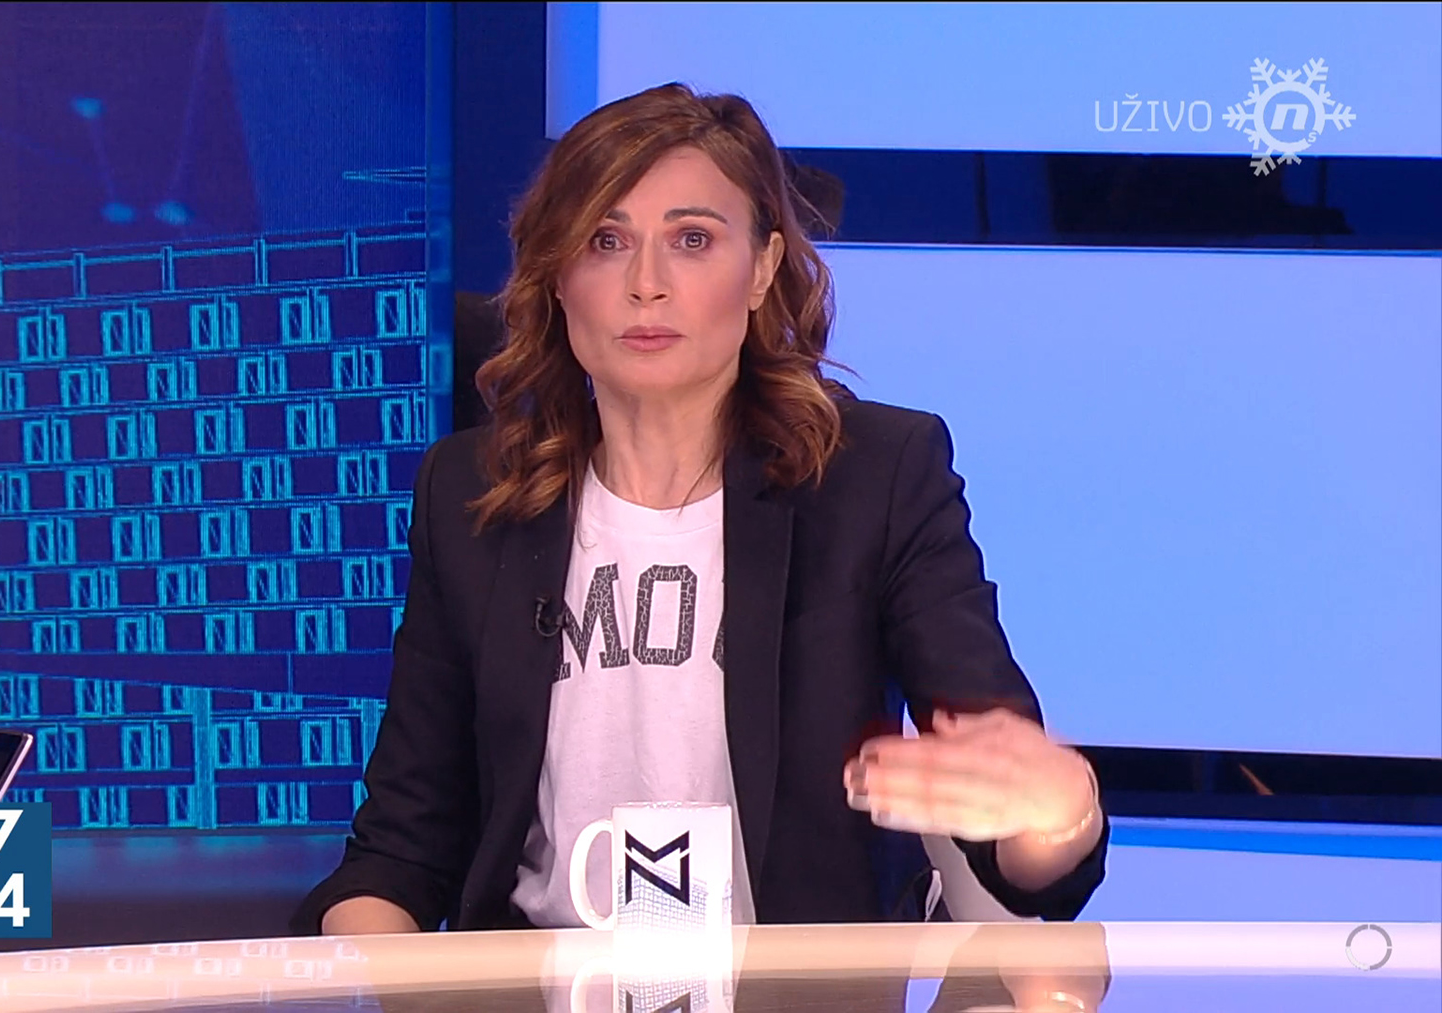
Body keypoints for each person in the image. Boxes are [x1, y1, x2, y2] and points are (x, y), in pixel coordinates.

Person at [292, 83, 1108, 935]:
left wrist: (1060, 811)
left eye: (692, 240)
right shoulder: (471, 492)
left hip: (796, 991)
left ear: (761, 268)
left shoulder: (876, 478)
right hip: (535, 981)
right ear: (558, 276)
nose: (646, 285)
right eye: (605, 240)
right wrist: (366, 974)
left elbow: (1017, 846)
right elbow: (402, 851)